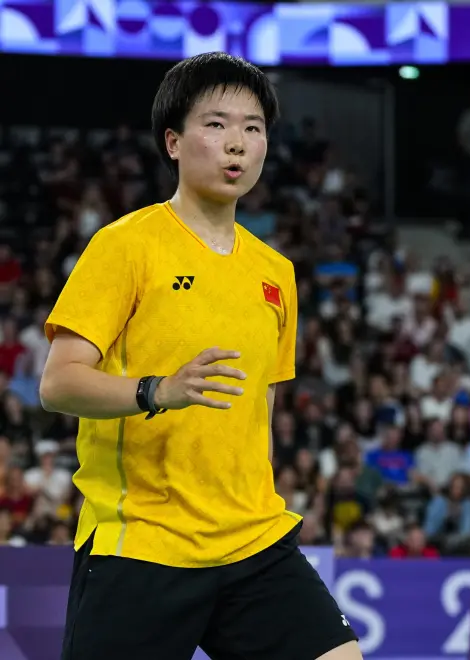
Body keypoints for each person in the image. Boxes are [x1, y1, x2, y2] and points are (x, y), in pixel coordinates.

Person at [39, 53, 362, 660]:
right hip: (144, 544)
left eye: (252, 127)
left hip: (250, 540)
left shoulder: (277, 273)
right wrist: (156, 391)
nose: (236, 143)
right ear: (173, 142)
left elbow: (260, 406)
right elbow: (58, 384)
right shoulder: (125, 246)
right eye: (215, 125)